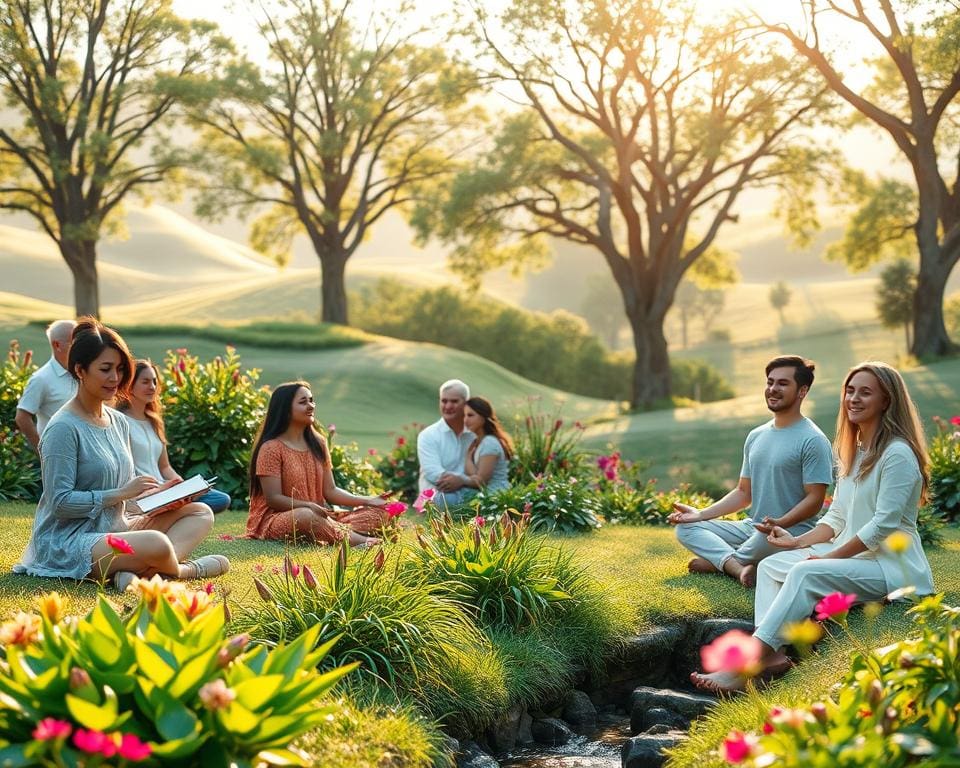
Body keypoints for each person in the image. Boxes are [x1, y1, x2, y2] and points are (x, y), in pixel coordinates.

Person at [691, 361, 936, 693]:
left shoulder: (897, 455)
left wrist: (830, 558)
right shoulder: (856, 451)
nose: (854, 399)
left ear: (886, 401)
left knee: (807, 573)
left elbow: (883, 525)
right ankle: (774, 655)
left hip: (893, 567)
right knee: (773, 564)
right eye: (850, 390)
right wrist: (796, 543)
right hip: (857, 558)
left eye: (866, 392)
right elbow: (836, 517)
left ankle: (746, 666)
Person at [12, 318, 229, 590]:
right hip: (70, 540)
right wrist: (121, 494)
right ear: (80, 370)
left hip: (117, 528)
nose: (115, 378)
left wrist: (161, 497)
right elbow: (60, 502)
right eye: (105, 369)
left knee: (200, 512)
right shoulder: (62, 428)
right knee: (157, 543)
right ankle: (183, 571)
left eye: (119, 369)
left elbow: (127, 491)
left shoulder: (119, 422)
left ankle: (136, 573)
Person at [668, 356, 833, 587]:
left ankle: (720, 561)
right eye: (770, 382)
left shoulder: (813, 440)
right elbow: (744, 492)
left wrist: (781, 522)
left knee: (760, 542)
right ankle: (737, 566)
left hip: (786, 532)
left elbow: (815, 499)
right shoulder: (756, 435)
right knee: (686, 529)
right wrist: (700, 514)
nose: (773, 389)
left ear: (802, 391)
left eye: (783, 384)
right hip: (752, 526)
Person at [246, 381, 388, 545]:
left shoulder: (319, 443)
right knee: (305, 516)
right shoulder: (271, 448)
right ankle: (359, 541)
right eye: (303, 402)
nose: (311, 406)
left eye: (311, 400)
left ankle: (330, 532)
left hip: (318, 515)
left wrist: (368, 500)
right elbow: (273, 498)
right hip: (279, 519)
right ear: (284, 409)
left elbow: (330, 490)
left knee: (381, 512)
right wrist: (308, 506)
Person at [117, 359, 231, 513]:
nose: (152, 387)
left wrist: (184, 488)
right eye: (145, 382)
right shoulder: (120, 422)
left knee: (220, 498)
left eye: (154, 382)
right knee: (205, 504)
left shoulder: (154, 421)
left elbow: (164, 466)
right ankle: (167, 511)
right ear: (129, 386)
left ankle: (175, 509)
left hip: (165, 489)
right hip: (145, 495)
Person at [15, 319, 78, 450]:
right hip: (58, 455)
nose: (81, 347)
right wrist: (42, 452)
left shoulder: (83, 372)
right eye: (74, 342)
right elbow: (22, 417)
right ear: (57, 345)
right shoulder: (41, 379)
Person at [417, 379, 475, 506]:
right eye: (444, 401)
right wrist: (463, 480)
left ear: (466, 403)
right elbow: (433, 472)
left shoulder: (475, 434)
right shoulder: (428, 435)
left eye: (454, 401)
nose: (448, 406)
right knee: (446, 501)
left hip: (469, 490)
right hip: (437, 493)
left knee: (488, 497)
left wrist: (462, 481)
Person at [462, 396, 514, 493]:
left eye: (470, 415)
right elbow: (476, 477)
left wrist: (461, 479)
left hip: (496, 497)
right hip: (484, 496)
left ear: (483, 417)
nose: (465, 420)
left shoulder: (490, 443)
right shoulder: (478, 441)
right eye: (464, 416)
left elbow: (481, 482)